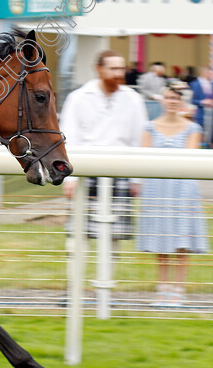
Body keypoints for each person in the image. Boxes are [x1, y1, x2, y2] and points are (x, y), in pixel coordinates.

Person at [60, 50, 149, 242]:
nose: (119, 73)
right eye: (113, 68)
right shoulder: (78, 97)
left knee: (115, 235)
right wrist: (70, 179)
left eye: (122, 68)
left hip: (121, 171)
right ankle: (76, 273)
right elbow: (69, 138)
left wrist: (136, 179)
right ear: (99, 69)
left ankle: (110, 273)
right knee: (78, 231)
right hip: (85, 171)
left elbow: (138, 140)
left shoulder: (133, 99)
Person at [137, 84, 207, 306]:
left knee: (181, 239)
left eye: (177, 97)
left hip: (182, 188)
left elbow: (191, 158)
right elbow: (145, 158)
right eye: (168, 97)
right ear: (162, 100)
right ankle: (162, 287)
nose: (172, 101)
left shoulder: (192, 128)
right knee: (160, 238)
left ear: (182, 101)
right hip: (157, 188)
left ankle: (178, 288)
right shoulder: (149, 127)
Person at [189, 67, 213, 147]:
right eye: (209, 73)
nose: (211, 75)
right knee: (199, 131)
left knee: (210, 134)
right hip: (200, 113)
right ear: (203, 73)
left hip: (211, 114)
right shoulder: (194, 84)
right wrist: (202, 102)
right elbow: (192, 100)